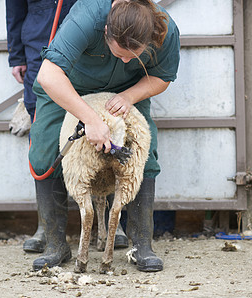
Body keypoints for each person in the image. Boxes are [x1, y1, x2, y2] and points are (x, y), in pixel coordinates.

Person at [29, 0, 180, 272]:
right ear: (107, 30)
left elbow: (163, 76)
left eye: (132, 56)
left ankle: (141, 245)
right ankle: (55, 244)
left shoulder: (164, 29)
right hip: (69, 86)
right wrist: (90, 119)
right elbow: (49, 76)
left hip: (125, 89)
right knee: (44, 151)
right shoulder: (88, 16)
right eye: (119, 53)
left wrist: (130, 96)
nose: (124, 60)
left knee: (144, 152)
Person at [6, 0, 130, 254]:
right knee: (46, 134)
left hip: (92, 49)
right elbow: (15, 6)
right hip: (40, 44)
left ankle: (109, 223)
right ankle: (48, 228)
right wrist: (16, 54)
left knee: (104, 126)